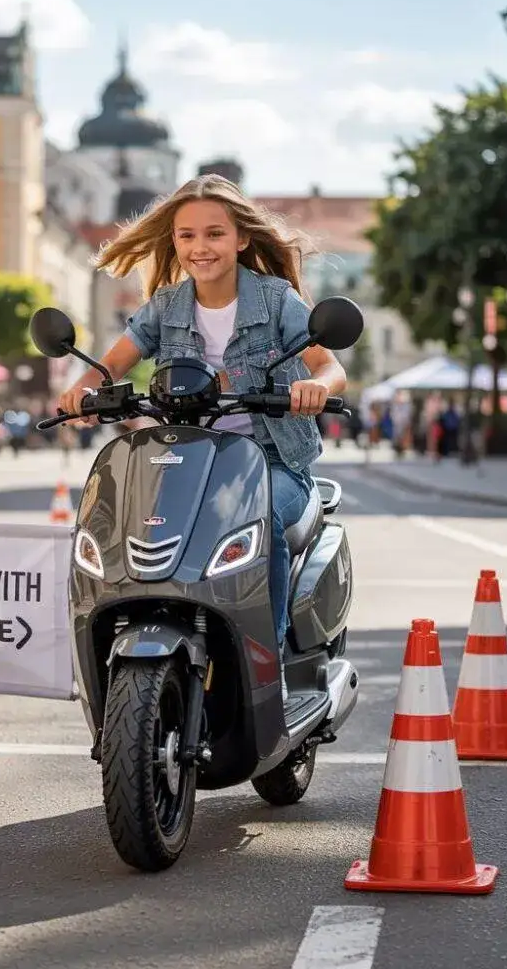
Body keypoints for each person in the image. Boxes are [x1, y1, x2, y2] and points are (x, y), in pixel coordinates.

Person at [58, 174, 347, 701]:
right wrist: (81, 388)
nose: (199, 247)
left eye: (214, 234)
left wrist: (314, 387)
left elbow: (330, 367)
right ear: (175, 243)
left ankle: (267, 662)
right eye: (187, 236)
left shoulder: (275, 299)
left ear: (240, 239)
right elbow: (113, 361)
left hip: (271, 462)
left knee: (264, 524)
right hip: (188, 462)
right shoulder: (166, 308)